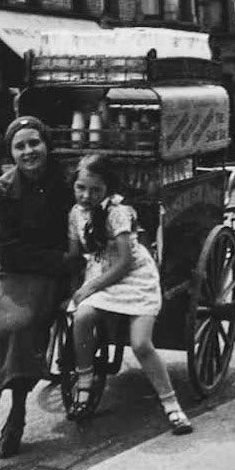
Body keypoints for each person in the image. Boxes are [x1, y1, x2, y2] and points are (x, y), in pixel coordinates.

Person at [68, 154, 193, 435]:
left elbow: (126, 263)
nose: (86, 195)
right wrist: (72, 288)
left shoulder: (118, 212)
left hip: (135, 278)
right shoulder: (75, 214)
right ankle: (85, 382)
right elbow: (76, 255)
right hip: (101, 274)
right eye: (81, 188)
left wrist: (90, 287)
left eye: (95, 190)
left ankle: (172, 406)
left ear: (107, 189)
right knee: (82, 317)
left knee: (141, 344)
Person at [0, 116, 75, 459]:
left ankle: (16, 414)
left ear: (46, 145)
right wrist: (60, 261)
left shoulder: (64, 184)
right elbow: (8, 250)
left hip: (44, 274)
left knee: (25, 326)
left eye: (34, 143)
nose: (29, 151)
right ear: (12, 153)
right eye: (20, 146)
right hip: (4, 270)